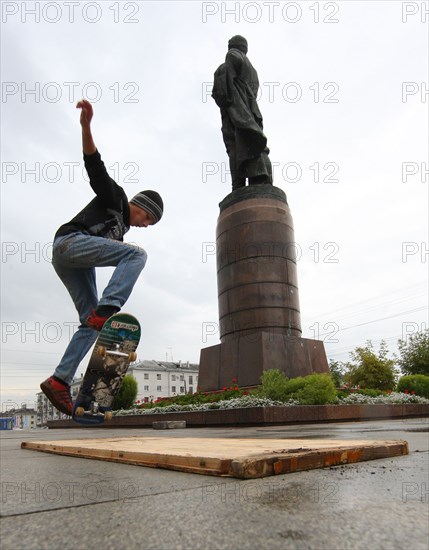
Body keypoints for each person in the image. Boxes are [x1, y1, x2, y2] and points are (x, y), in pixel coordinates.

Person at [40, 99, 163, 416]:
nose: (144, 226)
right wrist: (86, 127)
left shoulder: (119, 234)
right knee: (137, 255)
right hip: (70, 243)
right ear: (142, 207)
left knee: (90, 324)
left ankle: (59, 380)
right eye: (147, 220)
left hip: (74, 262)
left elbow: (108, 254)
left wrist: (101, 317)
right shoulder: (117, 197)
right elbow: (95, 167)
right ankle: (107, 309)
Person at [212, 35, 273, 190]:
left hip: (237, 110)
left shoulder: (232, 55)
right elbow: (253, 91)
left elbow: (223, 91)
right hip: (251, 110)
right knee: (253, 142)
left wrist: (228, 102)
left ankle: (238, 185)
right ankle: (259, 180)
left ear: (233, 46)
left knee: (236, 145)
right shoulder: (253, 71)